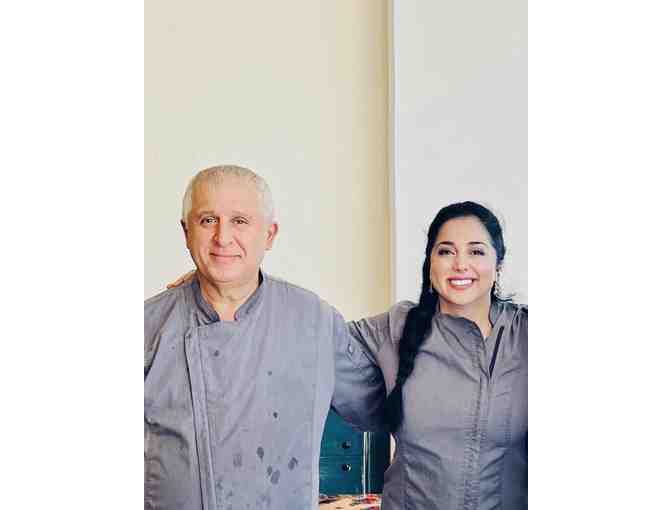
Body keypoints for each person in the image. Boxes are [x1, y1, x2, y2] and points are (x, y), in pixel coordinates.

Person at [144, 165, 385, 510]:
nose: (223, 238)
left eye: (240, 221)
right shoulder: (148, 325)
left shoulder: (313, 320)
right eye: (208, 220)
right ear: (186, 231)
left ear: (270, 235)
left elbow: (384, 407)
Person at [348, 201, 527, 510]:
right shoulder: (395, 328)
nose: (460, 264)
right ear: (430, 262)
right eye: (446, 251)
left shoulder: (525, 334)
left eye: (476, 251)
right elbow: (317, 346)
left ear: (498, 263)